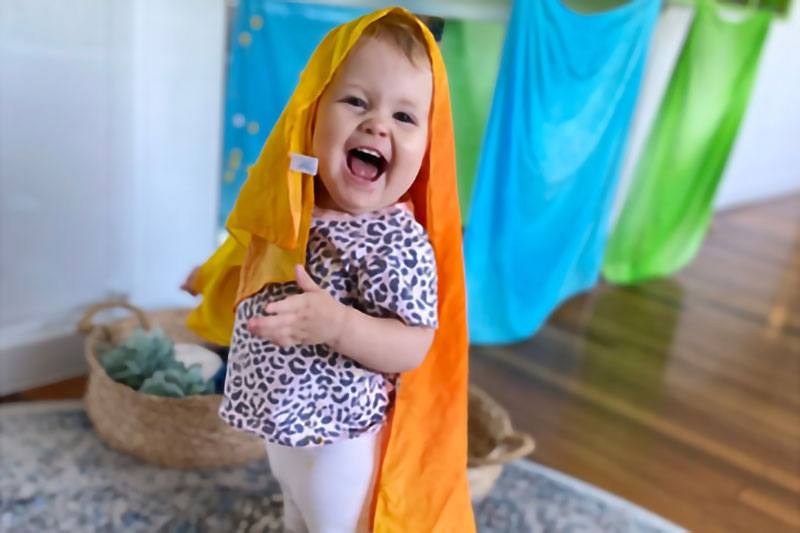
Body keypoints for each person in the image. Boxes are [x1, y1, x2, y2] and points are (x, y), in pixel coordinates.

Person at [182, 8, 473, 532]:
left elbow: (414, 344)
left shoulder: (396, 240)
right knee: (295, 510)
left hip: (340, 440)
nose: (377, 124)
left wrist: (338, 325)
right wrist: (212, 274)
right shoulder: (295, 200)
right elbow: (255, 249)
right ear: (313, 113)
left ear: (428, 145)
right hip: (284, 428)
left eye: (405, 117)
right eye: (356, 101)